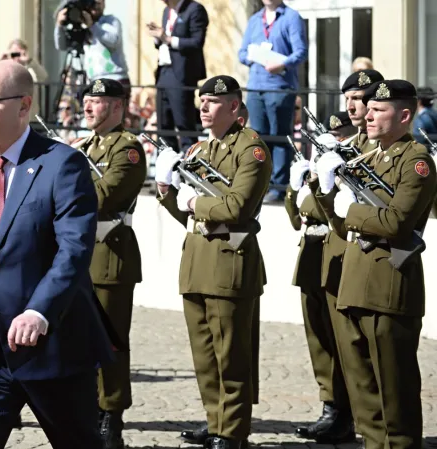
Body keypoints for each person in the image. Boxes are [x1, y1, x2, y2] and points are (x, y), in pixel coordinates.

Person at [0, 60, 116, 448]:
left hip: (54, 345)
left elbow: (74, 249)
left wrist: (39, 311)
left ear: (24, 106)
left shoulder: (61, 164)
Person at [312, 79, 435, 449]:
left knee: (393, 392)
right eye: (369, 109)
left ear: (405, 115)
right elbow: (340, 221)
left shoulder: (415, 162)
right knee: (363, 391)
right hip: (354, 279)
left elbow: (397, 223)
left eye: (379, 110)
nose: (368, 115)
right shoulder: (369, 156)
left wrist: (351, 208)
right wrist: (325, 188)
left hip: (389, 284)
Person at [154, 75, 271, 449]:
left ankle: (232, 432)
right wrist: (166, 191)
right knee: (205, 354)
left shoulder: (250, 150)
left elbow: (236, 208)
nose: (203, 108)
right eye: (201, 101)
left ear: (234, 107)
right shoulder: (201, 152)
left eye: (212, 102)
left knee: (231, 355)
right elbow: (189, 217)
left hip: (229, 262)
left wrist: (193, 202)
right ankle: (215, 420)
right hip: (197, 261)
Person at [74, 78, 145, 449]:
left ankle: (111, 415)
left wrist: (70, 174)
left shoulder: (128, 149)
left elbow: (102, 196)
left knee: (111, 341)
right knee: (80, 339)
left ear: (117, 107)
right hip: (79, 256)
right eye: (86, 100)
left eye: (97, 101)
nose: (87, 106)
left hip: (109, 252)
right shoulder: (85, 146)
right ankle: (87, 407)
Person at [283, 109, 356, 444]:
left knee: (340, 337)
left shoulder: (349, 162)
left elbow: (328, 208)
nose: (334, 142)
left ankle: (347, 411)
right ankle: (330, 406)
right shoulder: (322, 165)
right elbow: (298, 216)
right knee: (318, 338)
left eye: (340, 136)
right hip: (311, 251)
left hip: (335, 250)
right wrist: (296, 184)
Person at [238, 0, 307, 202]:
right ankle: (261, 185)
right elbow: (242, 53)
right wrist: (252, 56)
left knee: (279, 138)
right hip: (255, 87)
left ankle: (278, 187)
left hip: (280, 87)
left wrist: (282, 63)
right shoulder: (254, 20)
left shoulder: (291, 17)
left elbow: (300, 51)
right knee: (258, 139)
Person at [147, 0, 208, 151]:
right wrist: (157, 37)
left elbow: (196, 42)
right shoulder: (166, 11)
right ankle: (170, 167)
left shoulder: (195, 9)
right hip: (163, 72)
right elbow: (162, 43)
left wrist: (167, 38)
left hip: (181, 74)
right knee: (163, 125)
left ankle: (192, 167)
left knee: (184, 123)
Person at [54, 0, 130, 86]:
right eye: (92, 3)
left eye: (98, 3)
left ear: (104, 4)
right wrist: (59, 25)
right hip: (95, 80)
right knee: (93, 98)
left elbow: (113, 41)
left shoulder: (110, 21)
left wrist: (92, 25)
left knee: (101, 98)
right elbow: (62, 46)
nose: (95, 6)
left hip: (114, 79)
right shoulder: (84, 27)